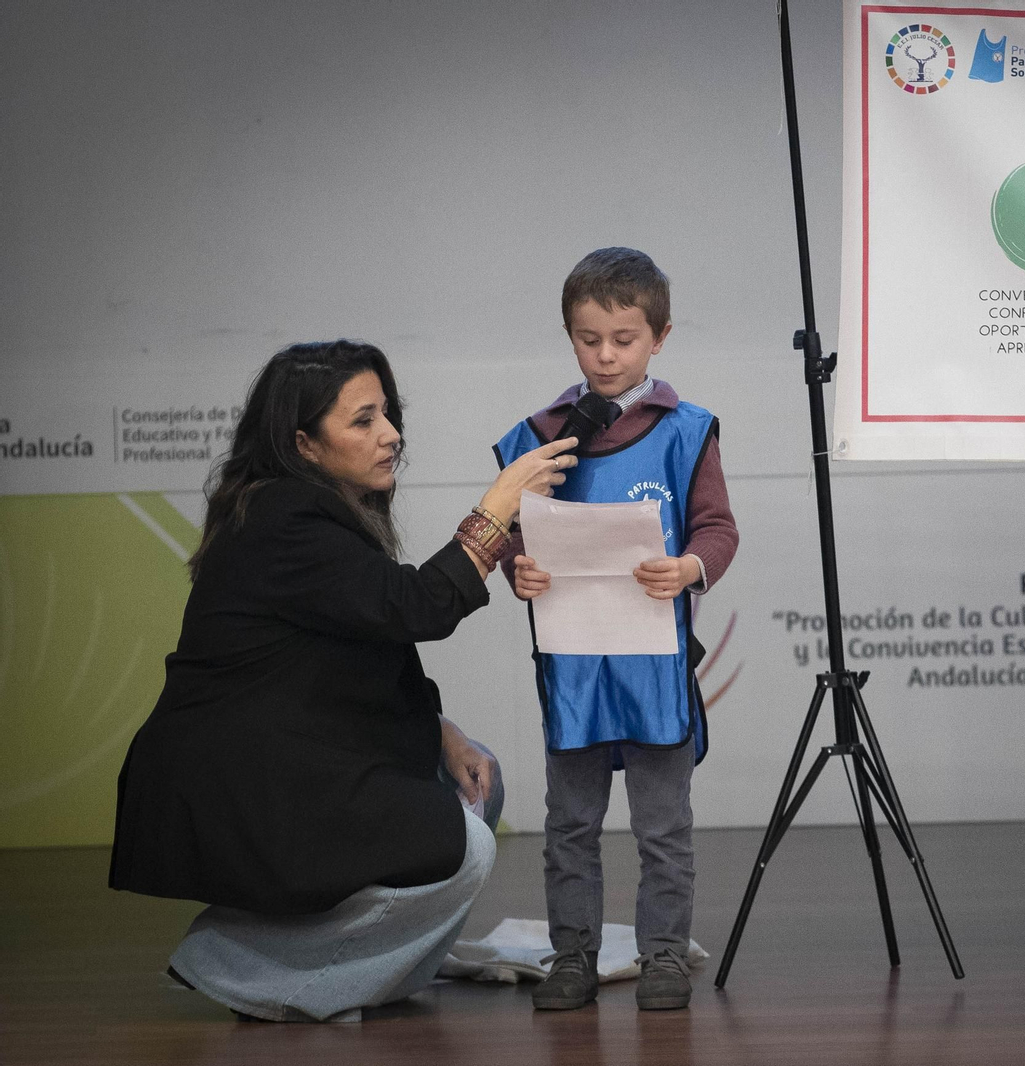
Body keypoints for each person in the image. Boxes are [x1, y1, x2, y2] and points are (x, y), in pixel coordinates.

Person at [108, 340, 577, 1022]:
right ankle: (241, 965)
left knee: (478, 781)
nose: (390, 435)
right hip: (245, 782)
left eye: (387, 413)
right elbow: (416, 607)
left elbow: (361, 650)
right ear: (303, 444)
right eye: (363, 420)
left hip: (289, 758)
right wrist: (499, 507)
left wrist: (441, 731)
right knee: (468, 844)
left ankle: (372, 971)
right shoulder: (283, 517)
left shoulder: (309, 510)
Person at [491, 248, 738, 1011]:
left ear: (659, 337)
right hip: (573, 669)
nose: (605, 355)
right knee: (570, 825)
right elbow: (509, 533)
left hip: (655, 668)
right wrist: (517, 567)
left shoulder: (687, 431)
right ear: (570, 334)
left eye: (624, 339)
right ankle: (573, 957)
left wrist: (689, 567)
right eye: (588, 338)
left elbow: (718, 528)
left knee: (664, 829)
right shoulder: (539, 435)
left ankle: (663, 955)